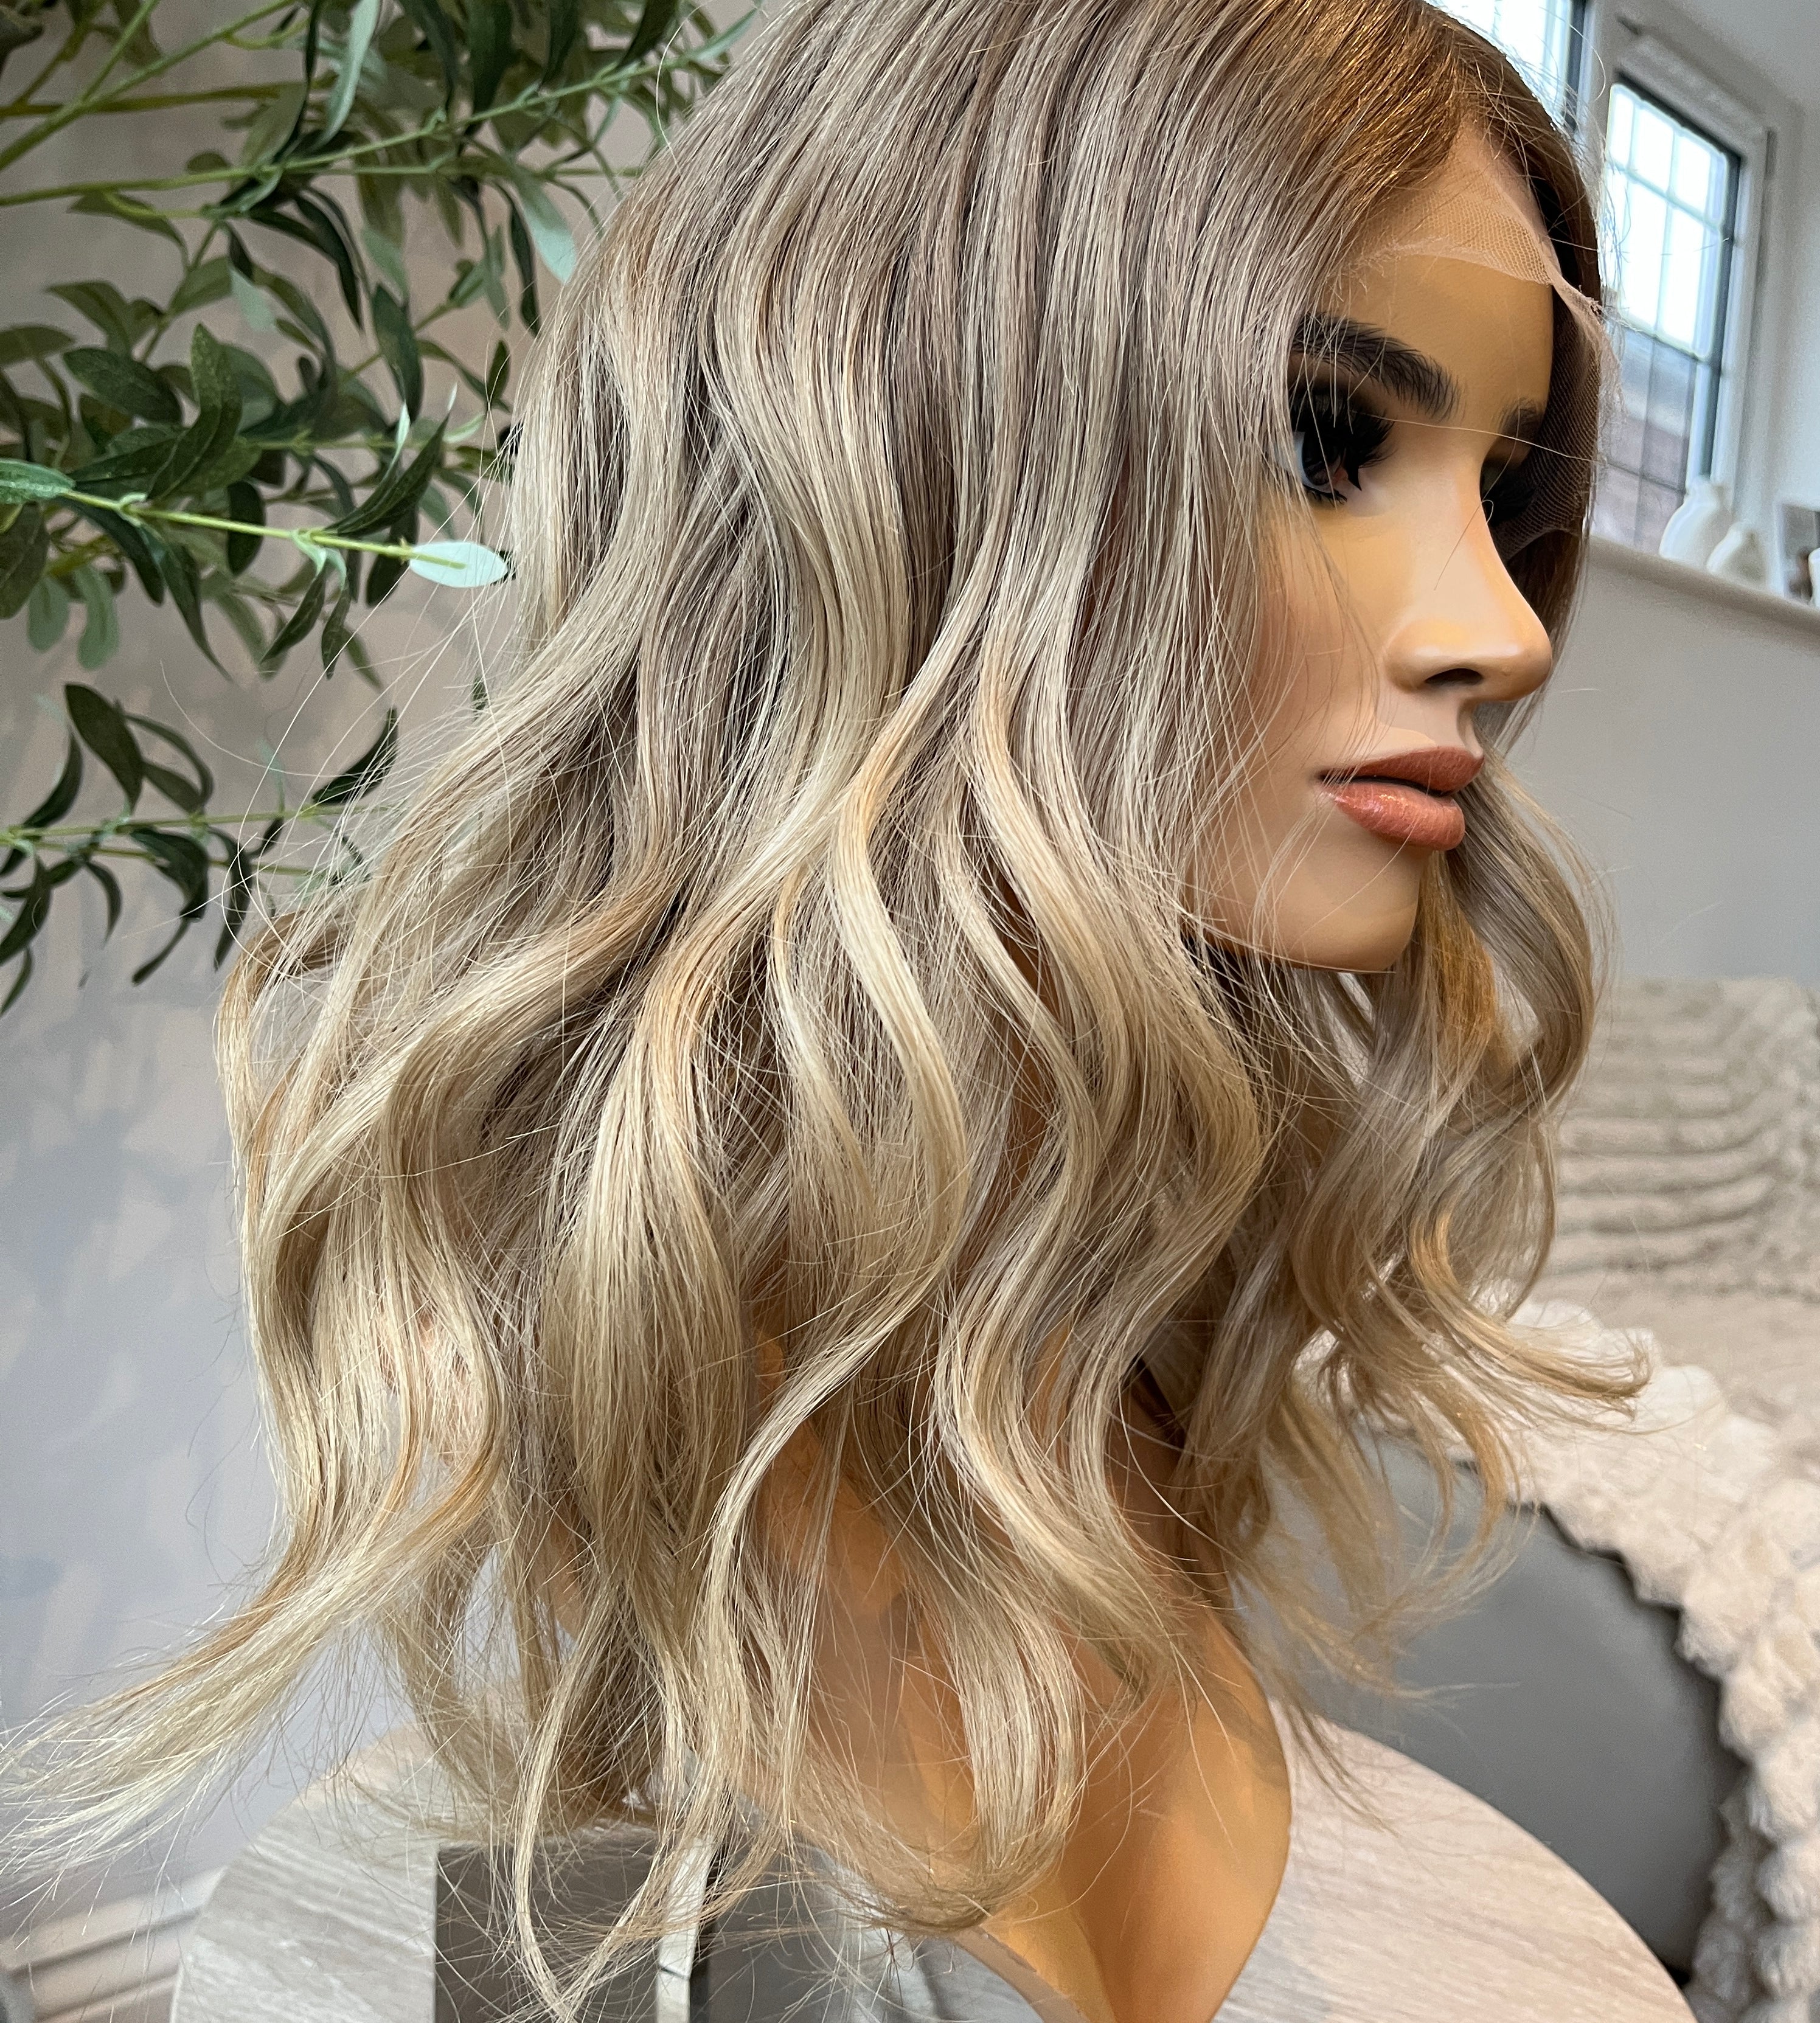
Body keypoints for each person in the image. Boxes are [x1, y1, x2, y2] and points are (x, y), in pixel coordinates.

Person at [5, 4, 1633, 2019]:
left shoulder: (1102, 1277)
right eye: (1330, 440)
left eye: (1502, 484)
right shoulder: (712, 1366)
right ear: (907, 437)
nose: (1504, 628)